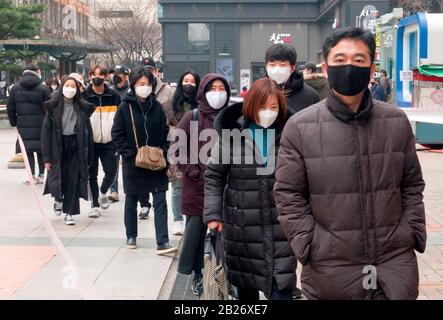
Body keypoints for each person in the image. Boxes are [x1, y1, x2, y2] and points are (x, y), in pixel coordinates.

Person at [273, 27, 426, 300]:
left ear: (370, 68)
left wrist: (410, 231)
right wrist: (309, 243)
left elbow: (411, 184)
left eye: (358, 60)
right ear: (326, 66)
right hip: (330, 272)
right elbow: (288, 194)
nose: (349, 67)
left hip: (393, 268)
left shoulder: (396, 121)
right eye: (340, 60)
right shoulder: (300, 127)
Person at [203, 77, 296, 300]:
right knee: (245, 292)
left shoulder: (292, 134)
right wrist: (213, 215)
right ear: (250, 106)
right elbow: (214, 177)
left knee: (281, 290)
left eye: (273, 107)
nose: (268, 112)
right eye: (262, 107)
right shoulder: (231, 136)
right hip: (242, 230)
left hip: (282, 228)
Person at [173, 73, 231, 296]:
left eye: (221, 88)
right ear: (203, 91)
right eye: (212, 88)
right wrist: (192, 171)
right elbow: (177, 146)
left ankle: (223, 275)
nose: (217, 93)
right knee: (196, 236)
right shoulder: (192, 117)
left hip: (224, 188)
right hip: (196, 188)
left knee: (224, 236)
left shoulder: (231, 117)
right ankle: (198, 274)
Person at [112, 67, 177, 255]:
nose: (145, 87)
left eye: (148, 84)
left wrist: (164, 152)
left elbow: (166, 132)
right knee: (131, 199)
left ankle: (162, 241)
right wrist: (129, 155)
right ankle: (131, 235)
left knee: (160, 200)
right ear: (133, 85)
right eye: (141, 84)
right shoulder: (125, 107)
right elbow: (117, 134)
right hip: (134, 162)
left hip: (156, 162)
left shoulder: (157, 107)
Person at [41, 76, 95, 225]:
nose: (70, 89)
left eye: (73, 86)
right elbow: (46, 134)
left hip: (76, 145)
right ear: (62, 87)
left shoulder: (82, 108)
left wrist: (89, 156)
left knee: (73, 178)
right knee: (60, 176)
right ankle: (58, 199)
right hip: (58, 146)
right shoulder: (53, 107)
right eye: (67, 85)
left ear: (77, 89)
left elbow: (88, 133)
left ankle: (69, 212)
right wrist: (46, 158)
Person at [82, 65, 121, 218]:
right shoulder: (84, 96)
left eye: (101, 75)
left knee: (111, 172)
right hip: (90, 142)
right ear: (90, 76)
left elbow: (120, 119)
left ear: (106, 77)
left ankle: (103, 191)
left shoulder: (114, 95)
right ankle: (95, 205)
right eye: (94, 74)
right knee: (91, 174)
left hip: (109, 142)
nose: (97, 77)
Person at [165, 70, 201, 236]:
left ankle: (192, 218)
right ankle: (177, 220)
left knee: (195, 184)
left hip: (198, 148)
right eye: (186, 80)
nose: (189, 84)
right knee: (177, 185)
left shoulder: (202, 104)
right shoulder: (169, 104)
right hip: (177, 148)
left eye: (193, 81)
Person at [7, 64, 51, 184]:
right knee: (41, 149)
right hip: (41, 124)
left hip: (23, 124)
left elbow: (10, 107)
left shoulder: (15, 88)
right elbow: (50, 107)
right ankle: (41, 175)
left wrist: (14, 122)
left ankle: (31, 176)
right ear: (37, 72)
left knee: (28, 151)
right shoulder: (43, 88)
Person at [265, 44, 319, 114]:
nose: (276, 69)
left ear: (292, 68)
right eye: (272, 65)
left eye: (282, 65)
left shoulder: (311, 96)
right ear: (266, 66)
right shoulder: (257, 93)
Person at [108, 65, 130, 204]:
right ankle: (113, 190)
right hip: (114, 131)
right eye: (115, 73)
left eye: (119, 74)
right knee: (113, 163)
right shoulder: (110, 91)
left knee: (128, 162)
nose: (116, 76)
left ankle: (130, 188)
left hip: (129, 131)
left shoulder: (131, 91)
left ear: (125, 75)